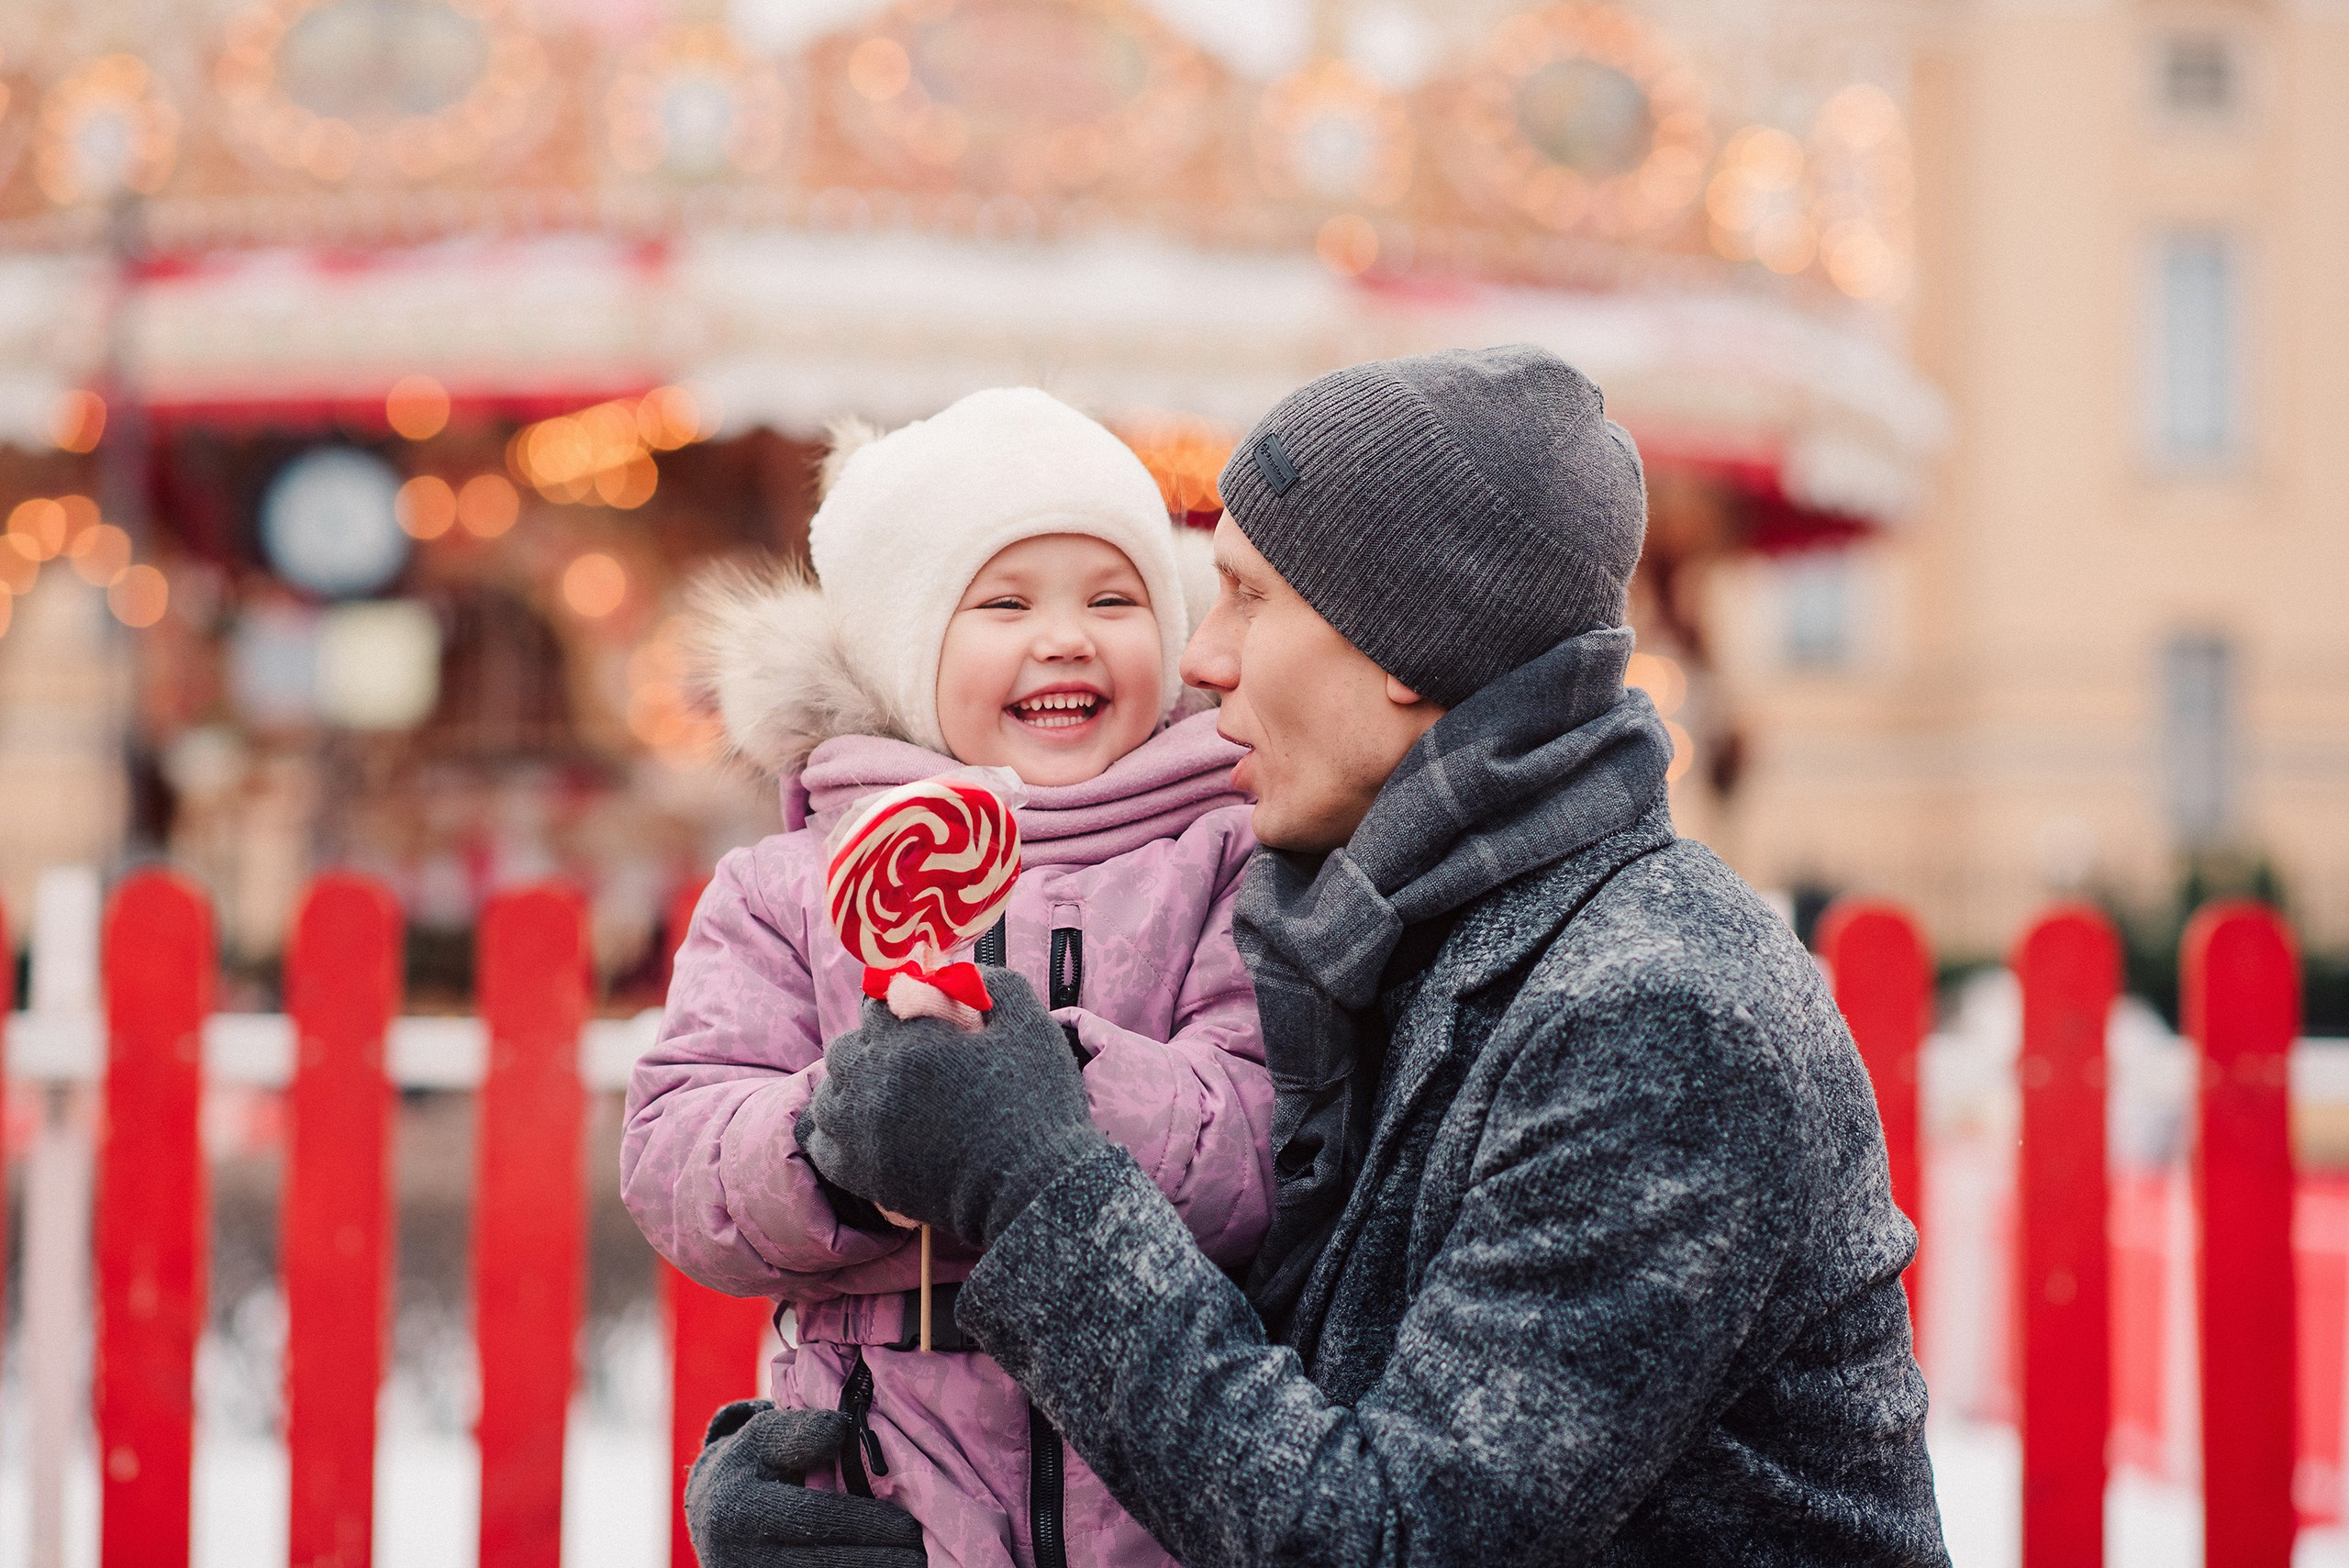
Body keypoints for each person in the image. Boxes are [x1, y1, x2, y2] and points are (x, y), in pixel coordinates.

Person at [694, 346, 1951, 1566]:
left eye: (1248, 596)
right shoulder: (1366, 939)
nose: (1201, 658)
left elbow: (1397, 1536)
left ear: (1401, 645)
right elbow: (1270, 1378)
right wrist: (857, 1459)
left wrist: (1032, 1181)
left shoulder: (1657, 1016)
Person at [622, 387, 1275, 1568]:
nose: (1067, 636)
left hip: (1155, 1467)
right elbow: (677, 1155)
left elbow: (1259, 1136)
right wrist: (838, 1137)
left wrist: (1049, 1091)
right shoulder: (791, 883)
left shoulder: (1223, 855)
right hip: (892, 1470)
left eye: (1115, 597)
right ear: (902, 653)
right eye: (1006, 603)